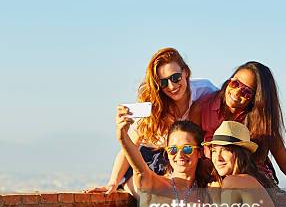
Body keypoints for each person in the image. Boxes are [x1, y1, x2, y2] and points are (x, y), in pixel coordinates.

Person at [190, 61, 286, 207]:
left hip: (253, 182)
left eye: (246, 92)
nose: (236, 92)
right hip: (213, 179)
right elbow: (192, 148)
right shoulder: (202, 107)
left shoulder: (261, 121)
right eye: (235, 83)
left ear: (256, 98)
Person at [91, 48, 216, 197]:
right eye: (163, 82)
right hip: (151, 160)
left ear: (186, 72)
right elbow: (130, 146)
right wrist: (112, 182)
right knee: (149, 197)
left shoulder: (206, 90)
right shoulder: (152, 107)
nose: (171, 86)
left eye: (175, 77)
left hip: (190, 159)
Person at [116, 105, 209, 207]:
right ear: (167, 153)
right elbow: (140, 170)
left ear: (199, 152)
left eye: (187, 149)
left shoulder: (206, 195)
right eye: (173, 150)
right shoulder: (152, 184)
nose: (179, 155)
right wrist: (123, 137)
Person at [202, 121, 276, 207]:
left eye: (225, 150)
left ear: (241, 154)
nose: (218, 158)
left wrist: (215, 198)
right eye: (214, 151)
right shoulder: (251, 180)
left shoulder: (233, 182)